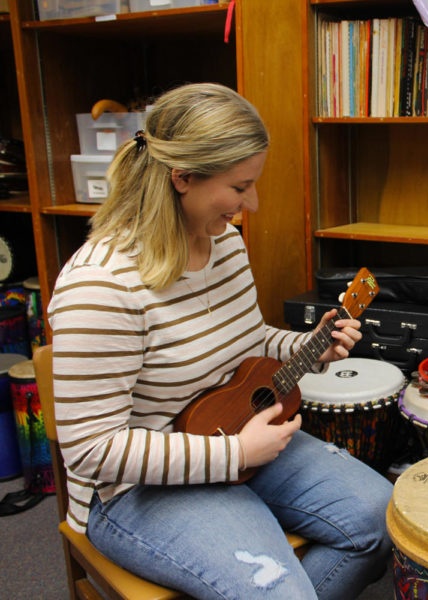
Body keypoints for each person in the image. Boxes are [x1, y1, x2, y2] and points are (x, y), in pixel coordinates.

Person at [47, 83, 393, 600]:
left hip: (235, 435)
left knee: (382, 520)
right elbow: (92, 451)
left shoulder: (224, 242)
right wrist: (231, 455)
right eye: (239, 187)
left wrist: (307, 347)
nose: (250, 203)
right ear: (181, 177)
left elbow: (246, 342)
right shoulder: (101, 286)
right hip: (136, 489)